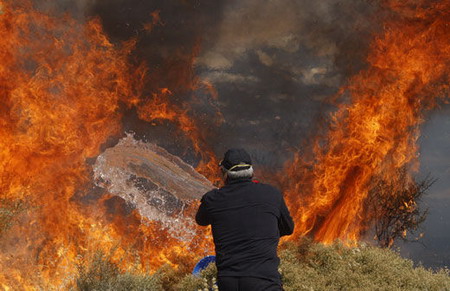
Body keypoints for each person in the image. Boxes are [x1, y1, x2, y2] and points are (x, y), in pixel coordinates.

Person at [196, 148, 294, 291]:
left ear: (224, 173)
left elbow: (201, 220)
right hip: (264, 281)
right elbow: (288, 228)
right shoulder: (271, 194)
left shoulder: (213, 199)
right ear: (252, 171)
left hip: (229, 282)